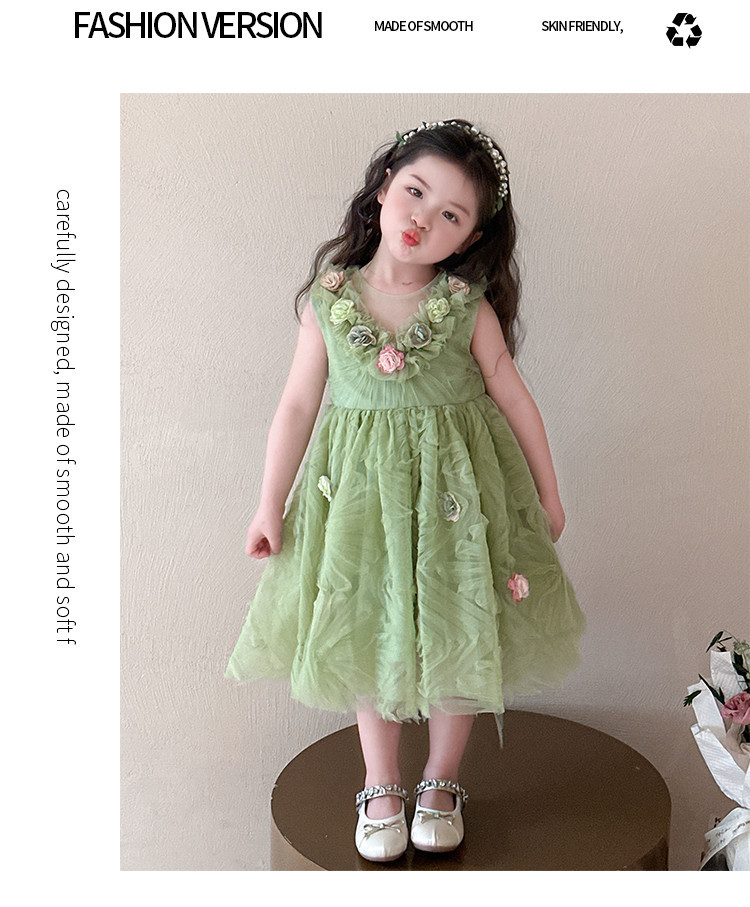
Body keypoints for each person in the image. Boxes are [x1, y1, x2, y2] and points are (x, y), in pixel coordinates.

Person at [226, 119, 585, 862]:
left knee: (461, 626)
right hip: (361, 506)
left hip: (459, 502)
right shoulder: (329, 302)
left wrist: (548, 493)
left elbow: (514, 396)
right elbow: (296, 405)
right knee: (370, 629)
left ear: (470, 237)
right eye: (416, 192)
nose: (423, 218)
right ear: (385, 186)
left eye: (450, 213)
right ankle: (381, 782)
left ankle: (442, 780)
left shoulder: (466, 305)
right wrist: (269, 502)